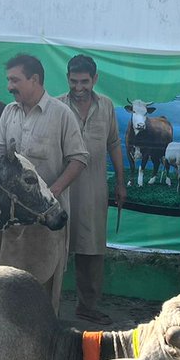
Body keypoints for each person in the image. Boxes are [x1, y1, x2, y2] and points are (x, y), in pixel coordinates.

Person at [0, 53, 88, 313]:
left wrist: (51, 193)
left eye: (15, 80)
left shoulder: (61, 114)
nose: (9, 86)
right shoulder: (8, 112)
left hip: (47, 222)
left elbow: (79, 159)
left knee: (42, 296)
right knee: (5, 289)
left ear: (35, 79)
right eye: (9, 80)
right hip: (12, 224)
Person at [57, 54, 126, 325]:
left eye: (84, 81)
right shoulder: (56, 106)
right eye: (74, 81)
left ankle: (87, 306)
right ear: (68, 79)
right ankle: (46, 306)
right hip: (61, 189)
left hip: (95, 189)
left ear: (95, 79)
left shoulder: (107, 106)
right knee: (56, 249)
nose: (78, 87)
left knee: (92, 251)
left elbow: (113, 144)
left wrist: (120, 182)